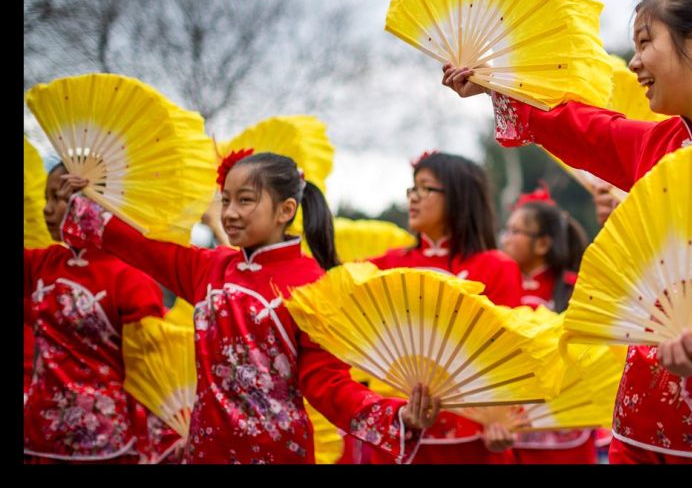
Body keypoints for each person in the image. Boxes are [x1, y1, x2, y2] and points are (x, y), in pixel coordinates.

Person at [444, 0, 692, 464]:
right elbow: (582, 128)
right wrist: (495, 82)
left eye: (646, 42)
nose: (634, 61)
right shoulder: (659, 145)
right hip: (641, 433)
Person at [58, 150, 440, 464]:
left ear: (285, 210)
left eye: (245, 200)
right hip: (206, 449)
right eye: (226, 200)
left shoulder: (315, 286)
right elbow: (141, 246)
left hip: (277, 453)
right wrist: (85, 201)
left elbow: (327, 383)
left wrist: (396, 416)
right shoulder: (208, 267)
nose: (229, 213)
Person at [364, 151, 524, 464]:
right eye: (413, 188)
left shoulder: (497, 267)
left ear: (459, 197)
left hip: (473, 439)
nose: (413, 197)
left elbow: (508, 355)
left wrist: (503, 417)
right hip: (401, 428)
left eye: (425, 188)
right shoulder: (388, 265)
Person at [24, 163, 166, 464]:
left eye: (58, 197)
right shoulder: (43, 263)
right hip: (40, 436)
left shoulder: (131, 276)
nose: (46, 209)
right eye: (46, 198)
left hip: (107, 441)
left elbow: (150, 370)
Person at [500, 186, 596, 463]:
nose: (505, 239)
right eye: (506, 230)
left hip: (566, 417)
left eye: (514, 231)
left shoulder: (575, 289)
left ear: (542, 244)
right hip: (511, 417)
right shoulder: (499, 285)